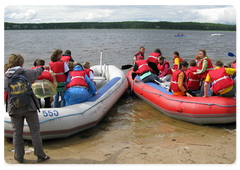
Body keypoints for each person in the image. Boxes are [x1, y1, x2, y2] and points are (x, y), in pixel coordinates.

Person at [2, 53, 50, 163]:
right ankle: (40, 155)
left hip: (14, 108)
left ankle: (19, 157)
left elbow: (6, 90)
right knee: (35, 132)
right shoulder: (26, 73)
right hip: (29, 106)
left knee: (17, 133)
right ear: (22, 63)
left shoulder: (4, 78)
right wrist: (43, 67)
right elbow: (37, 72)